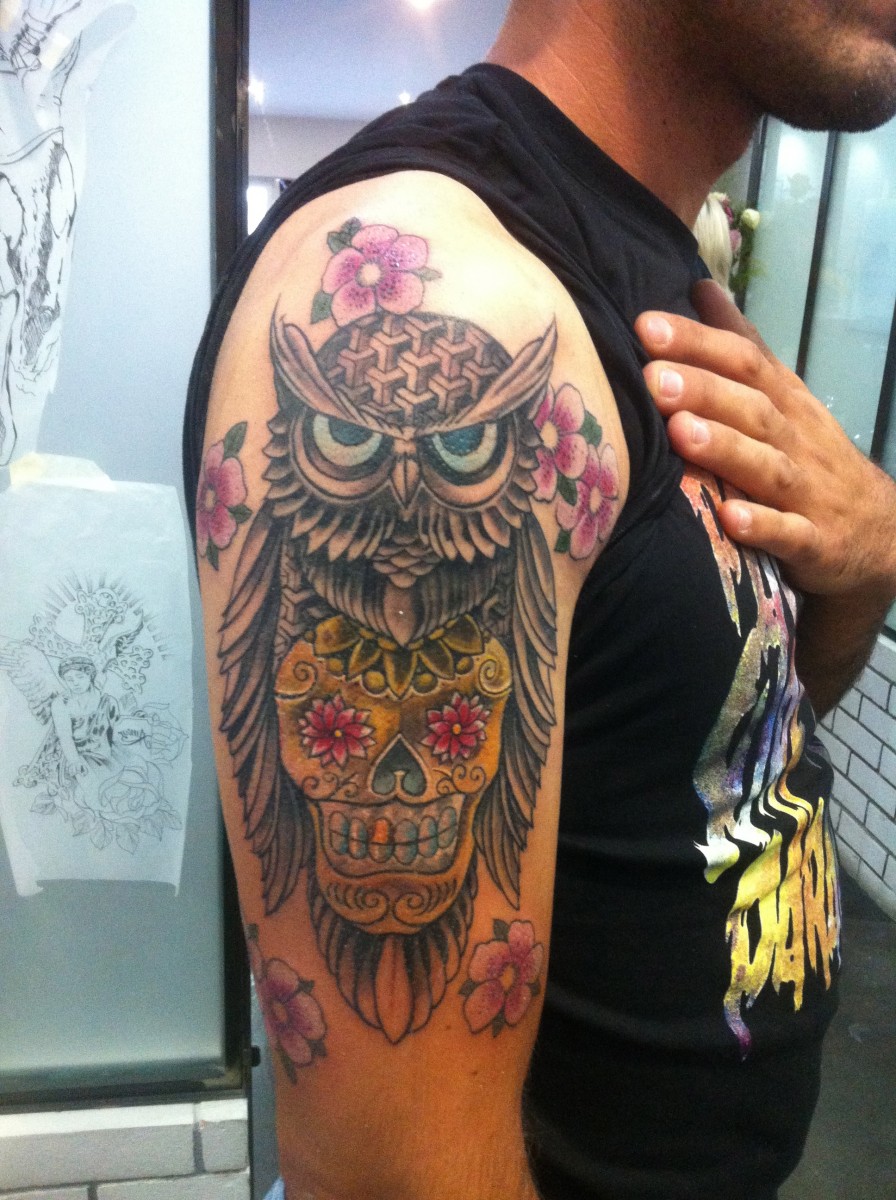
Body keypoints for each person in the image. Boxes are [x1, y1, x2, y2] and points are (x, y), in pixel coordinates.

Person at [183, 3, 896, 1197]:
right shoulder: (449, 285)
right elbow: (391, 1181)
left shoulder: (659, 283)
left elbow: (694, 743)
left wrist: (862, 569)